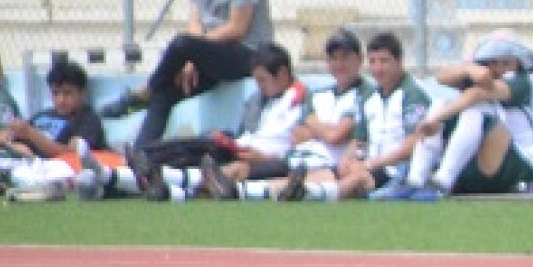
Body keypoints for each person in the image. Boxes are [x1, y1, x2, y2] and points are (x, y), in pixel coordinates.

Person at [107, 0, 275, 149]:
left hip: (246, 53)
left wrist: (193, 51)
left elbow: (237, 28)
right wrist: (191, 58)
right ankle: (143, 152)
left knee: (181, 43)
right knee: (165, 92)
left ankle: (144, 90)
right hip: (211, 53)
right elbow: (194, 20)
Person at [372, 30, 533, 201]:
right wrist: (468, 69)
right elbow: (442, 77)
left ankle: (442, 182)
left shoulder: (521, 82)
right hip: (487, 167)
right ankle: (415, 180)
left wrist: (434, 120)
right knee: (441, 103)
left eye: (506, 63)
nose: (498, 68)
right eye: (493, 62)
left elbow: (477, 94)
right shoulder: (482, 76)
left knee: (472, 112)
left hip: (523, 166)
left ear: (518, 62)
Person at [126, 43, 305, 202]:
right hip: (241, 149)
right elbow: (246, 134)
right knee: (200, 145)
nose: (259, 86)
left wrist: (242, 151)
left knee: (203, 149)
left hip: (257, 157)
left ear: (282, 74)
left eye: (262, 80)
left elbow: (283, 152)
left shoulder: (300, 101)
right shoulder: (258, 100)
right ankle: (148, 166)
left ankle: (148, 164)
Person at [203, 30, 368, 200]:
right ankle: (192, 185)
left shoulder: (365, 94)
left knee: (264, 176)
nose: (339, 64)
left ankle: (232, 191)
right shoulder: (319, 94)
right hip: (297, 157)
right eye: (333, 58)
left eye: (345, 58)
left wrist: (315, 126)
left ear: (359, 59)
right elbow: (298, 135)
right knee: (237, 169)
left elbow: (334, 136)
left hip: (323, 162)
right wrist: (325, 130)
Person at [272, 32, 431, 201]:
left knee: (358, 179)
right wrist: (347, 162)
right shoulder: (371, 99)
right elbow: (359, 141)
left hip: (397, 171)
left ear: (399, 62)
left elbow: (413, 144)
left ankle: (307, 195)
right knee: (325, 174)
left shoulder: (412, 95)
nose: (377, 68)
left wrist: (370, 164)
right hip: (372, 167)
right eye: (373, 62)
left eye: (384, 61)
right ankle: (260, 191)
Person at [0, 61, 122, 201]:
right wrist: (10, 142)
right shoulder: (41, 116)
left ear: (83, 93)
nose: (61, 100)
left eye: (67, 93)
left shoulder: (88, 120)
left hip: (59, 170)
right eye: (55, 93)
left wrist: (31, 134)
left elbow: (71, 154)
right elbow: (9, 137)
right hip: (28, 163)